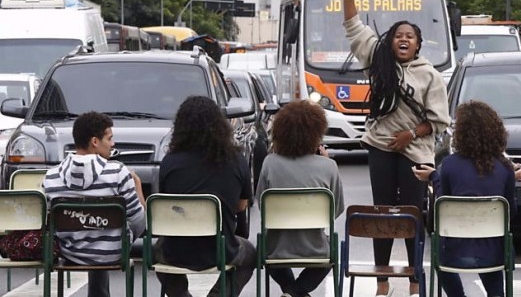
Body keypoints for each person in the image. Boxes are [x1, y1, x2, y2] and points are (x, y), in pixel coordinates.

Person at [339, 0, 450, 297]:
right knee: (382, 212)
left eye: (410, 37)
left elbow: (439, 121)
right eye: (398, 35)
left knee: (412, 215)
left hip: (415, 152)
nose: (403, 40)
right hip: (380, 148)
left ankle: (415, 275)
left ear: (417, 45)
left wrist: (410, 135)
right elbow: (353, 26)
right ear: (391, 42)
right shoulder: (378, 60)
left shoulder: (430, 75)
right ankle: (382, 279)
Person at [413, 100, 520, 297]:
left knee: (440, 259)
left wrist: (433, 177)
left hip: (455, 253)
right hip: (494, 253)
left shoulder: (450, 165)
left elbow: (441, 206)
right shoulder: (504, 167)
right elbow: (511, 213)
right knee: (495, 282)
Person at [155, 96, 256, 297]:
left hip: (177, 251)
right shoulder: (236, 159)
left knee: (157, 250)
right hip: (221, 248)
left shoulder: (169, 162)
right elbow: (241, 206)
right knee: (250, 253)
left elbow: (167, 203)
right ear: (220, 125)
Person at [43, 111, 146, 297]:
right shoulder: (118, 172)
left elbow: (47, 220)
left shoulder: (51, 177)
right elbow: (139, 219)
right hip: (112, 253)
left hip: (70, 252)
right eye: (109, 138)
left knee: (94, 232)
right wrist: (138, 188)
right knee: (122, 226)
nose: (113, 144)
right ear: (95, 142)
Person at [255, 100, 345, 297]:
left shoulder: (270, 163)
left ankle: (291, 291)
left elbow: (262, 205)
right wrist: (326, 160)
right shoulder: (328, 167)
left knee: (267, 254)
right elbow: (336, 210)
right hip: (315, 248)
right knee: (332, 252)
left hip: (276, 249)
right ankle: (296, 293)